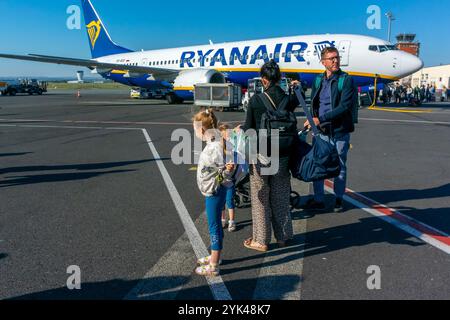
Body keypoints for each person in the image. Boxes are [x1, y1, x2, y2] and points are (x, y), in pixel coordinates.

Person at [240, 59, 298, 252]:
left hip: (262, 155)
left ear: (264, 80)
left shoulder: (256, 100)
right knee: (281, 197)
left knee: (261, 199)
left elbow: (248, 129)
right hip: (283, 155)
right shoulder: (288, 99)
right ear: (279, 78)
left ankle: (261, 240)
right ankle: (283, 237)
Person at [302, 46, 356, 213]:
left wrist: (320, 119)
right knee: (319, 164)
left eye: (337, 57)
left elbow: (345, 107)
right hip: (321, 132)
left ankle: (338, 198)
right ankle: (319, 199)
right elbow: (314, 103)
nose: (335, 61)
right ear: (323, 62)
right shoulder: (318, 80)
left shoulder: (345, 80)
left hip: (339, 131)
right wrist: (311, 120)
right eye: (331, 58)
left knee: (340, 165)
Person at [193, 109, 235, 276]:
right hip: (216, 189)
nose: (195, 133)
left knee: (214, 226)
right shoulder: (215, 144)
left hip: (215, 191)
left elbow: (222, 171)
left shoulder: (214, 147)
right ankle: (216, 256)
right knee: (216, 224)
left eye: (195, 129)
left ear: (202, 130)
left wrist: (225, 171)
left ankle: (214, 265)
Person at [218, 123, 237, 232]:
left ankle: (232, 221)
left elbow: (232, 166)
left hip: (229, 180)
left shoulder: (230, 149)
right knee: (221, 202)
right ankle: (223, 219)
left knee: (229, 201)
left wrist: (228, 167)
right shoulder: (217, 150)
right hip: (220, 180)